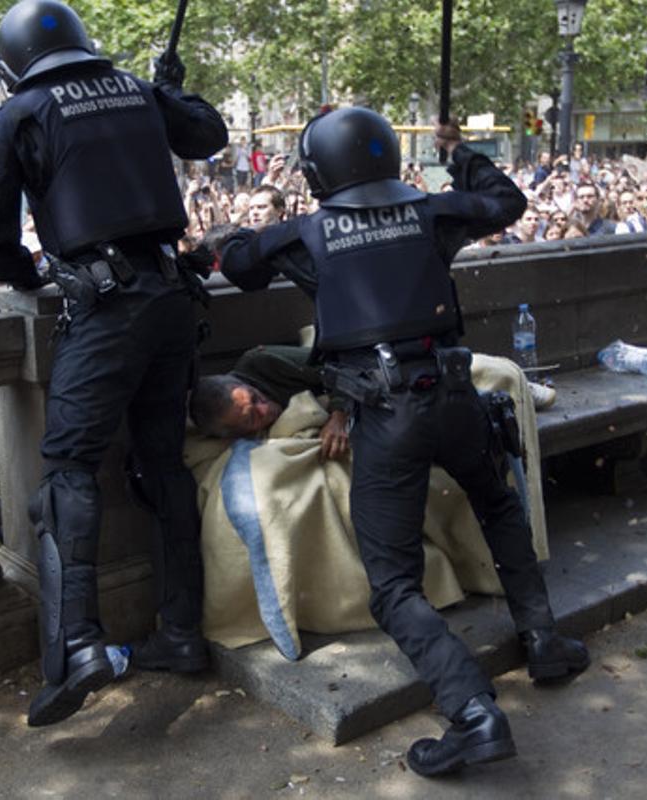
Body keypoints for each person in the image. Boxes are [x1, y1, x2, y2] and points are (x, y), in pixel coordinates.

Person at [217, 107, 588, 779]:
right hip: (455, 394)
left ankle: (473, 713)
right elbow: (507, 200)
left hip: (386, 414)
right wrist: (459, 153)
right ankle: (542, 641)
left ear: (318, 171)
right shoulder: (433, 213)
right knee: (498, 504)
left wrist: (234, 236)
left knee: (391, 584)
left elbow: (239, 263)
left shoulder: (308, 234)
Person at [0, 0, 228, 728]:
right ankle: (179, 634)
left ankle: (79, 644)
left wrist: (26, 276)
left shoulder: (21, 113)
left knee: (70, 472)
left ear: (11, 62)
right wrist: (167, 90)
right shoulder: (137, 90)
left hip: (105, 310)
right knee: (162, 464)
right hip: (173, 298)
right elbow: (208, 134)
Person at [190, 345, 350, 461]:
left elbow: (344, 365)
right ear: (239, 433)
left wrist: (338, 416)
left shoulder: (262, 362)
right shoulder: (248, 442)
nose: (265, 409)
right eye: (252, 418)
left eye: (254, 397)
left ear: (242, 383)